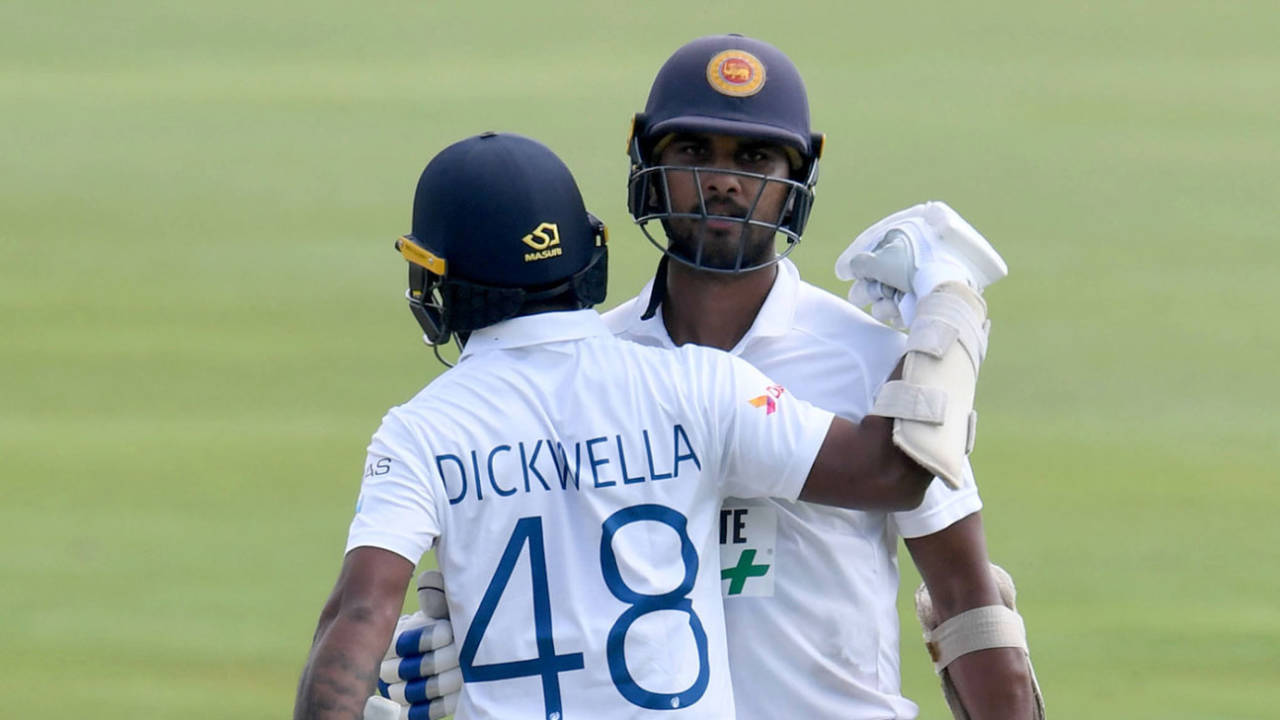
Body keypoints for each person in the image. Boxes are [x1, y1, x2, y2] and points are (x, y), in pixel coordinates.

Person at [374, 36, 1043, 720]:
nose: (723, 181)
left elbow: (966, 602)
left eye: (754, 157)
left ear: (799, 177)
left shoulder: (873, 363)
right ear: (647, 162)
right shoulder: (589, 362)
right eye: (693, 151)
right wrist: (490, 641)